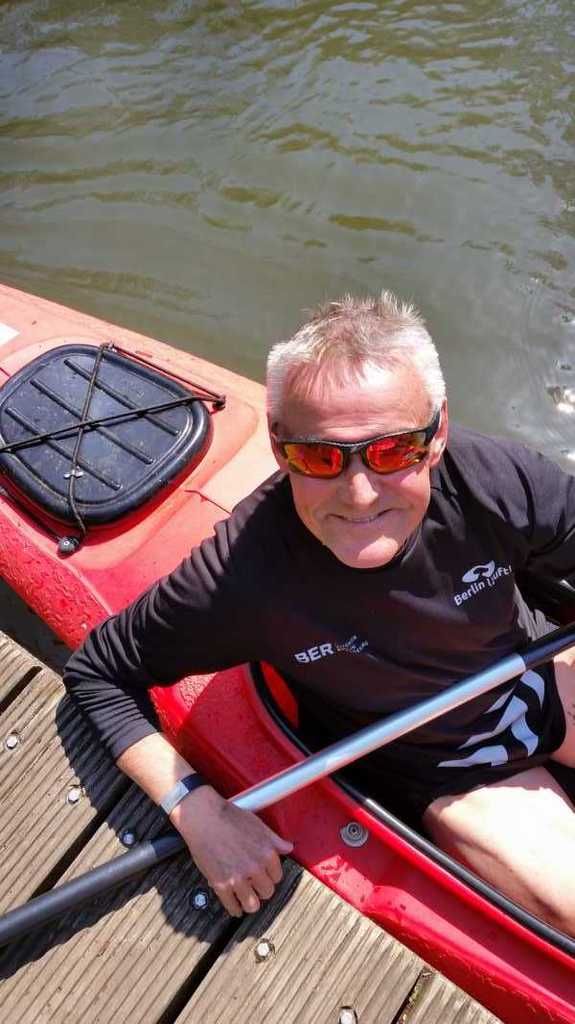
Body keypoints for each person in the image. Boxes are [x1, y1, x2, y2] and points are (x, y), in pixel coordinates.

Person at [64, 292, 575, 935]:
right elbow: (99, 674)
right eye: (320, 458)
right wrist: (195, 809)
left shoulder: (498, 480)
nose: (359, 494)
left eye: (393, 451)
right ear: (280, 447)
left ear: (437, 433)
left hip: (533, 674)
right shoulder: (241, 575)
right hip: (442, 765)